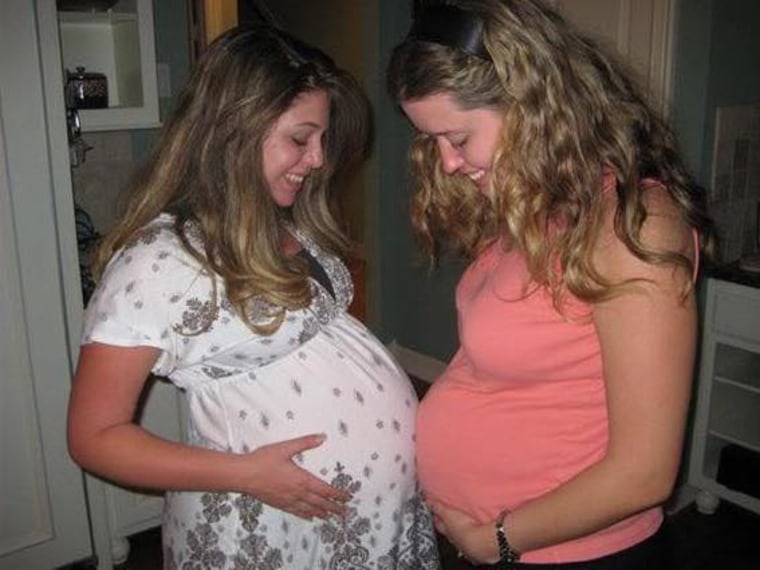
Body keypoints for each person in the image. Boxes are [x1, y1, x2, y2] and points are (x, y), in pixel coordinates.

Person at [67, 25, 440, 569]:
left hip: (360, 523)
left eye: (321, 140)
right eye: (300, 138)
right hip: (267, 528)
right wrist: (247, 475)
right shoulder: (156, 262)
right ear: (234, 129)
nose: (317, 160)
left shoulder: (280, 220)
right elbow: (93, 436)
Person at [387, 0, 714, 568]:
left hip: (574, 554)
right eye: (432, 141)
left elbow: (645, 473)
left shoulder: (635, 225)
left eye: (458, 139)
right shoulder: (537, 203)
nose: (447, 164)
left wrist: (499, 539)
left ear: (531, 107)